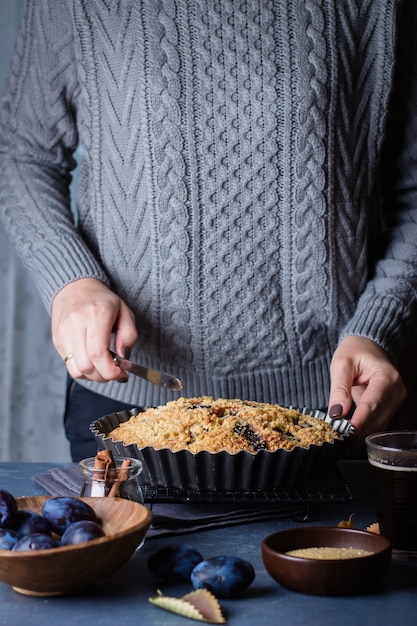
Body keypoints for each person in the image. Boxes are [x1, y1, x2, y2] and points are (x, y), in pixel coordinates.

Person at [1, 0, 417, 462]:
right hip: (130, 405)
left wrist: (379, 326)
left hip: (338, 403)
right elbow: (23, 155)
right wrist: (71, 283)